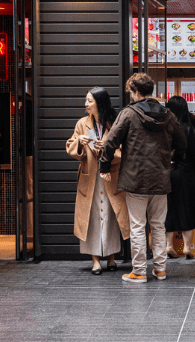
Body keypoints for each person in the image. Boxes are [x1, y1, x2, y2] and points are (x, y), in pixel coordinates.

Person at [99, 73, 186, 283]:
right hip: (161, 179)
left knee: (138, 225)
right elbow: (182, 142)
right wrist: (169, 157)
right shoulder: (168, 114)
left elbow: (110, 142)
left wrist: (104, 166)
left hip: (135, 178)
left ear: (136, 92)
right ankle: (160, 269)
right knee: (158, 225)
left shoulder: (128, 114)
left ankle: (138, 271)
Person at [67, 87, 129, 275]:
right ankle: (95, 261)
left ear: (99, 103)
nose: (86, 104)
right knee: (91, 218)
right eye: (86, 101)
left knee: (111, 218)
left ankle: (111, 259)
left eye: (89, 101)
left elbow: (125, 150)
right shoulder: (81, 124)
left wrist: (109, 149)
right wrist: (80, 142)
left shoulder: (114, 123)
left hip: (111, 177)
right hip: (90, 178)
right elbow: (70, 146)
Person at [164, 96, 195, 259]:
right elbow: (194, 152)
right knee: (187, 209)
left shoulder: (165, 128)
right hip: (187, 172)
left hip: (169, 172)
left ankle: (168, 246)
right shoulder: (189, 128)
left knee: (169, 209)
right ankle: (187, 248)